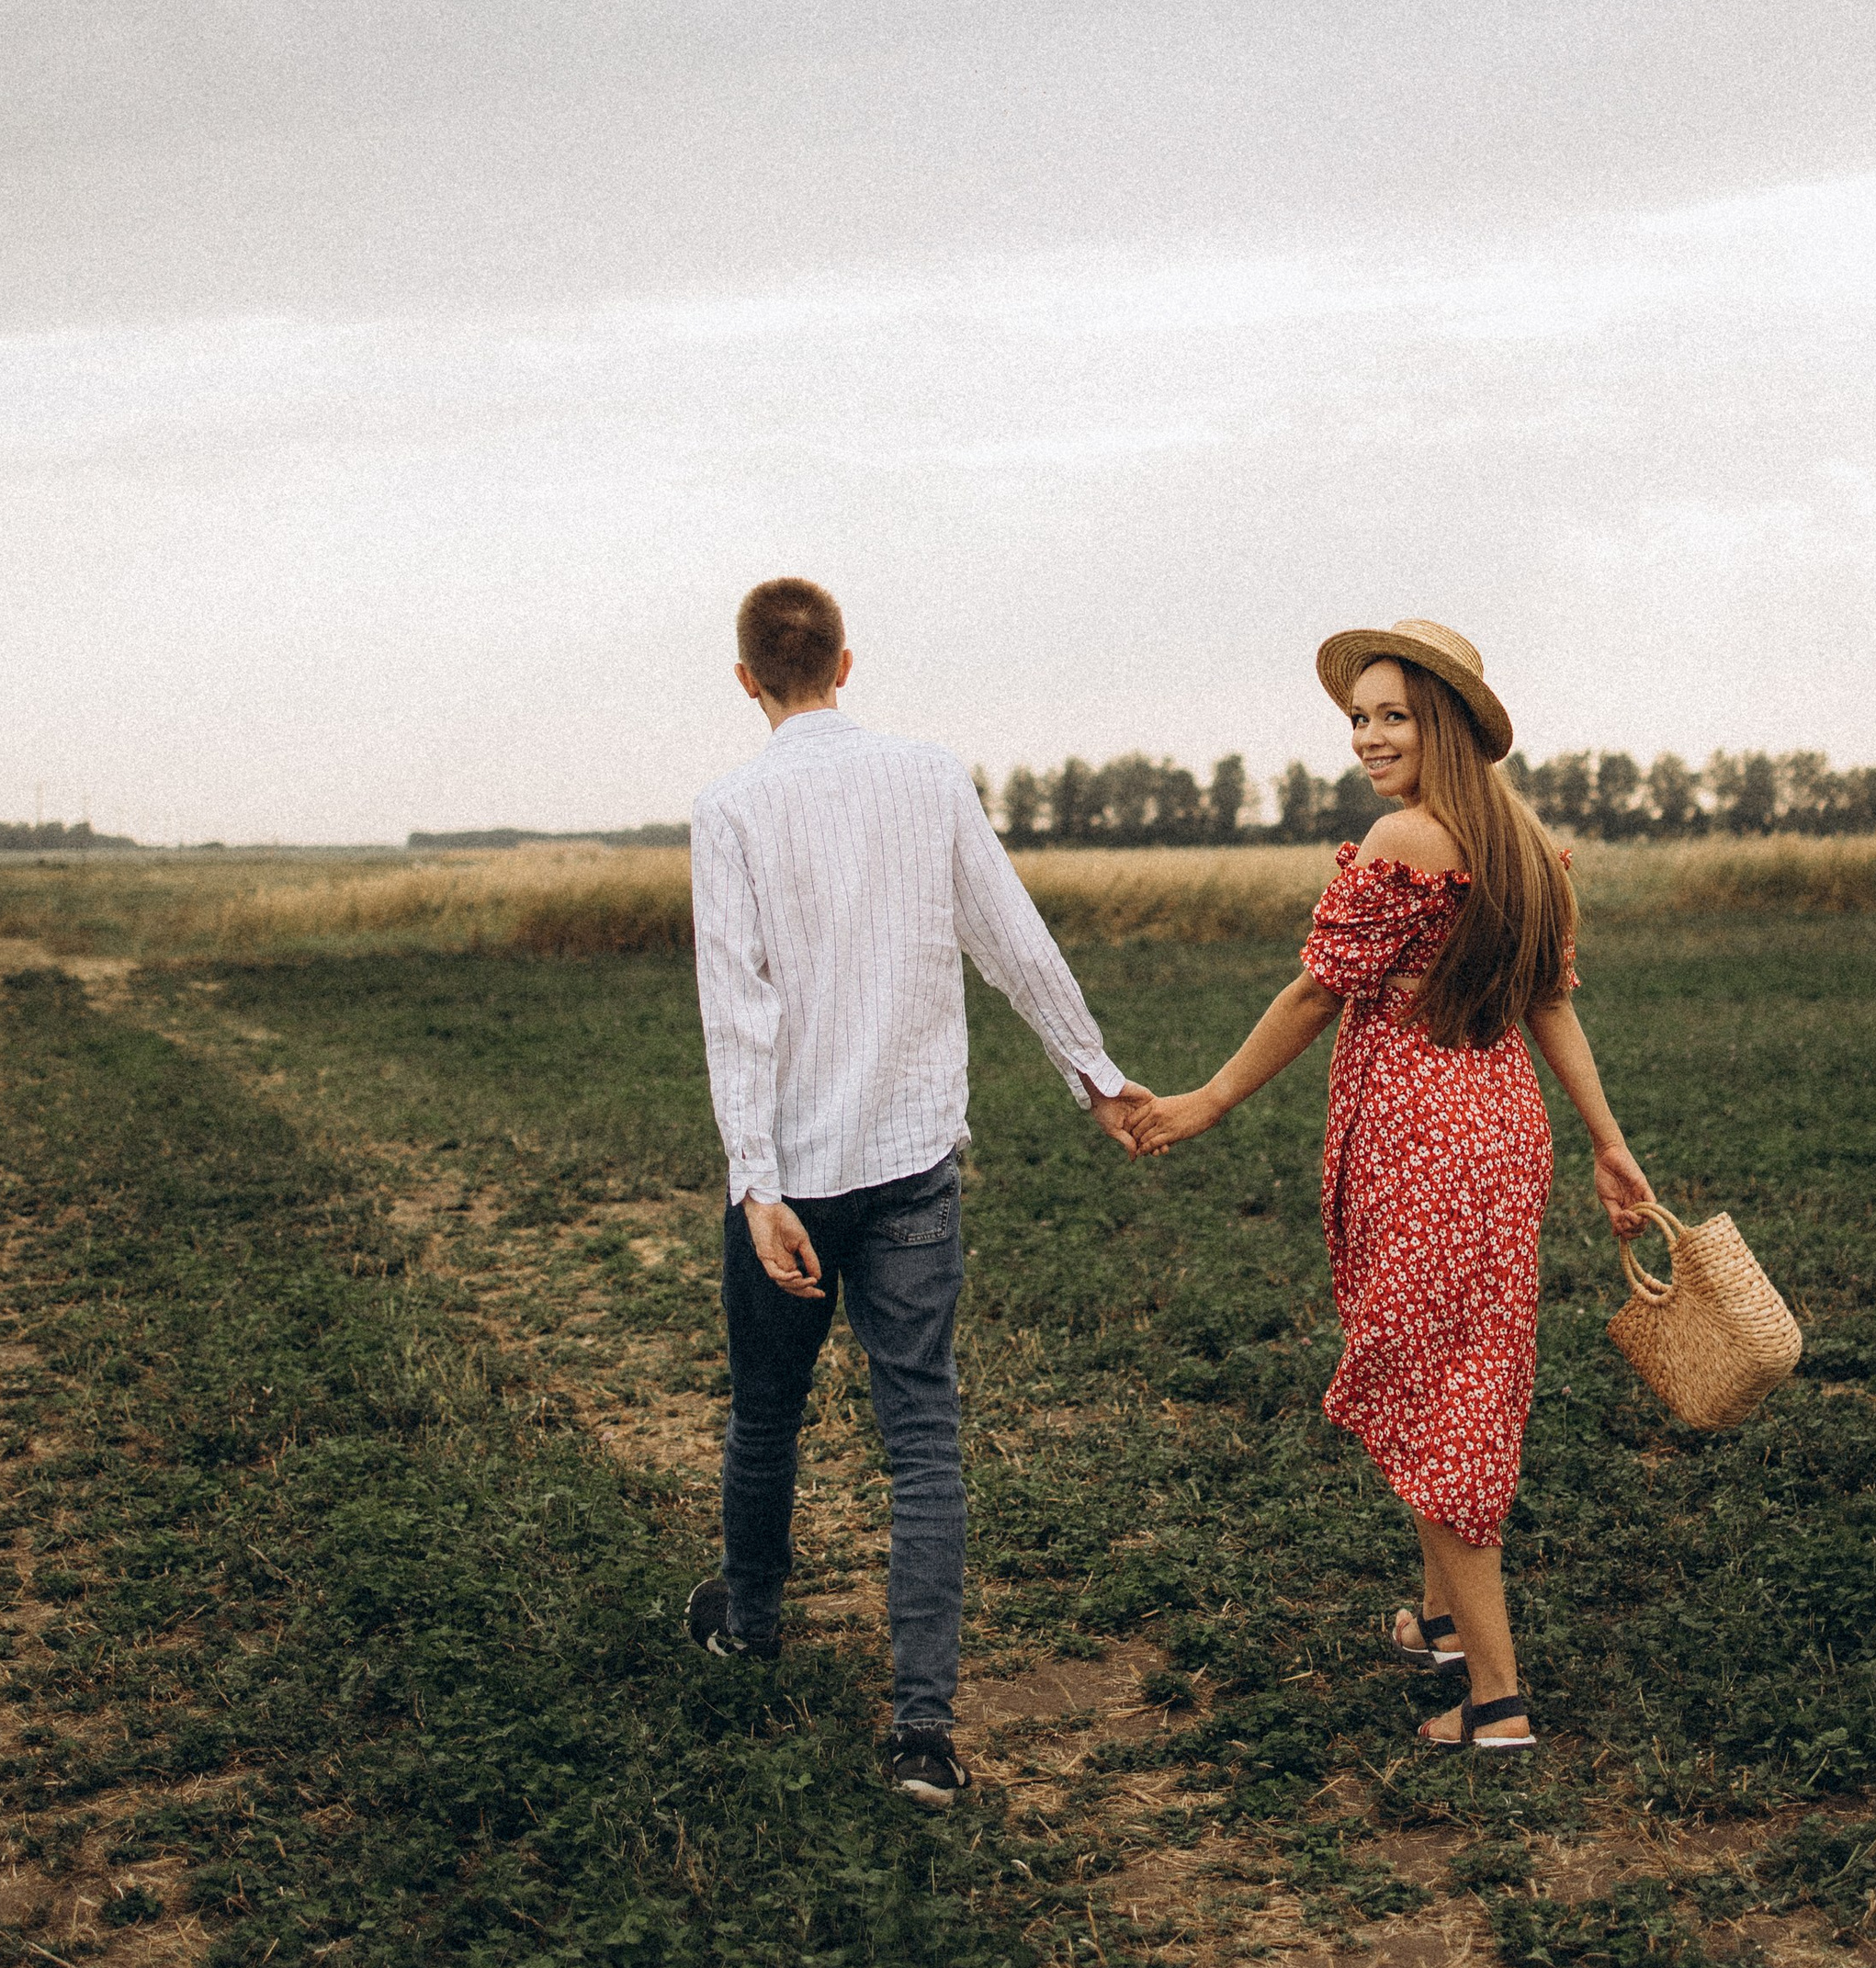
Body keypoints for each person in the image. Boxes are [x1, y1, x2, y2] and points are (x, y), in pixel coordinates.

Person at [1129, 618, 1656, 1756]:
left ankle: (1497, 1704)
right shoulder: (1523, 844)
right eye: (1357, 718)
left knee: (1437, 1393)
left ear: (1447, 727)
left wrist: (1204, 1102)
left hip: (1421, 1141)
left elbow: (1317, 994)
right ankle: (1438, 1626)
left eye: (1391, 717)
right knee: (1455, 1371)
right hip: (1499, 1132)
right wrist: (1609, 1145)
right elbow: (1550, 1004)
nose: (1366, 738)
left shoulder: (1405, 841)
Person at [687, 573, 1149, 1805]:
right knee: (924, 1439)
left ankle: (750, 1622)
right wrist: (1093, 1075)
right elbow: (1012, 937)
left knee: (766, 1413)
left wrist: (755, 1183)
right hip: (908, 1168)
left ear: (748, 682)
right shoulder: (931, 776)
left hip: (790, 1177)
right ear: (847, 664)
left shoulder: (727, 808)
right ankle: (925, 1735)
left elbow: (736, 1010)